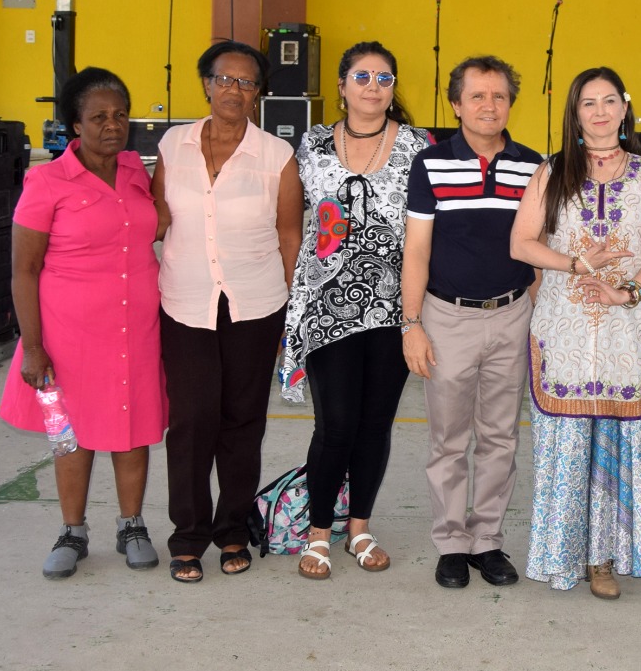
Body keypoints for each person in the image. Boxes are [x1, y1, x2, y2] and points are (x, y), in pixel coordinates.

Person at [510, 66, 641, 600]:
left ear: (625, 108)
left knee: (617, 446)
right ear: (575, 113)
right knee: (565, 446)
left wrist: (629, 291)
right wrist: (576, 265)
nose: (600, 112)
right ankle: (562, 556)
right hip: (566, 331)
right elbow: (521, 243)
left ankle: (604, 560)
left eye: (609, 101)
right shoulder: (552, 171)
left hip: (628, 332)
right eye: (588, 103)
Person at [1, 68, 167, 579]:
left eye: (120, 115)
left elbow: (161, 224)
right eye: (98, 117)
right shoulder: (46, 181)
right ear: (75, 124)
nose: (112, 125)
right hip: (68, 333)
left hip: (136, 327)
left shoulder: (137, 171)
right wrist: (33, 346)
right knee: (72, 435)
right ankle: (72, 531)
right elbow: (24, 270)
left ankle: (132, 526)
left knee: (133, 428)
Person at [152, 40, 304, 583]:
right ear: (206, 84)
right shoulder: (173, 145)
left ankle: (232, 530)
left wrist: (292, 315)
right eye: (224, 79)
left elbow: (290, 236)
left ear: (258, 93)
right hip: (185, 303)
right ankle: (188, 535)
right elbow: (155, 218)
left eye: (246, 82)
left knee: (243, 422)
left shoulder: (277, 157)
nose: (233, 90)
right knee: (191, 422)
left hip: (256, 306)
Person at [280, 41, 431, 579]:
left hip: (394, 307)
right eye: (362, 76)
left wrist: (416, 317)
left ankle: (359, 527)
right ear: (342, 86)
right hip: (326, 306)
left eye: (384, 78)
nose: (373, 86)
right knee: (336, 423)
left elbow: (427, 235)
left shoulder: (418, 147)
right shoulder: (312, 144)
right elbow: (287, 220)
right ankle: (319, 532)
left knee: (375, 424)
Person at [401, 56, 542, 589]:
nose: (489, 105)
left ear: (510, 104)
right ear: (456, 104)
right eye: (477, 96)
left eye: (499, 96)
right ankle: (451, 543)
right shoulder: (431, 164)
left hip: (512, 316)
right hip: (447, 319)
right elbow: (416, 250)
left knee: (500, 438)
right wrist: (412, 324)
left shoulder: (533, 166)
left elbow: (538, 249)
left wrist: (537, 318)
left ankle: (487, 541)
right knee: (449, 439)